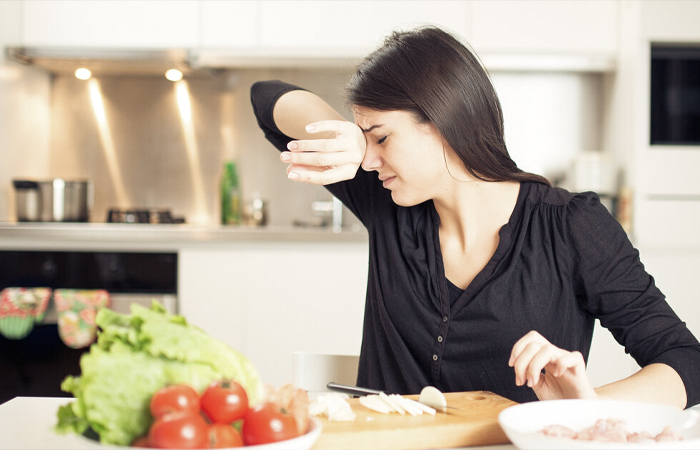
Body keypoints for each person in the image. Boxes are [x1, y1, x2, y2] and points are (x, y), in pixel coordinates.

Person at [250, 26, 700, 408]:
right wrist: (344, 135)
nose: (369, 159)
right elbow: (266, 99)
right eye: (366, 141)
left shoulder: (571, 227)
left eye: (382, 138)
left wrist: (583, 411)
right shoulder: (388, 200)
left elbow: (686, 361)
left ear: (443, 122)